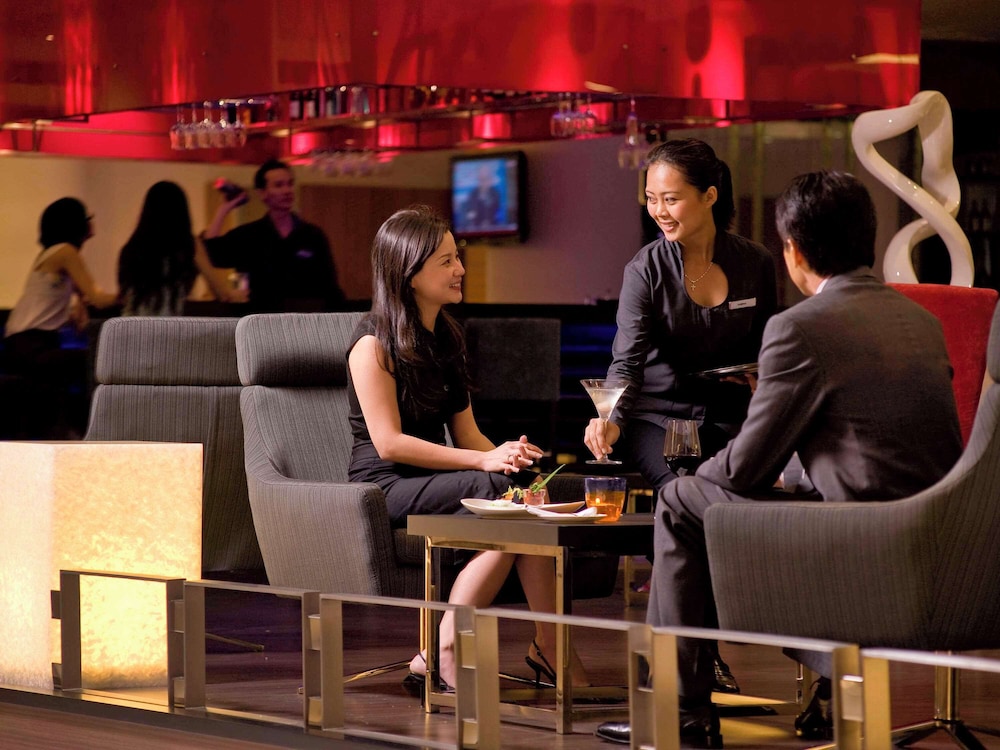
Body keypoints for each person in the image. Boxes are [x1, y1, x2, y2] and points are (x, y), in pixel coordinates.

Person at [595, 171, 962, 747]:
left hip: (859, 533)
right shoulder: (923, 322)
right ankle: (820, 684)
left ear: (793, 251)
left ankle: (679, 711)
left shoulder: (801, 326)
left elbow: (745, 470)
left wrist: (701, 475)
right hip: (940, 540)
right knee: (742, 494)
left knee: (682, 500)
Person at [347, 205, 587, 690]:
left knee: (525, 488)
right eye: (446, 261)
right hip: (384, 484)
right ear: (409, 273)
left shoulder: (447, 339)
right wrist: (483, 461)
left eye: (458, 257)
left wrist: (507, 456)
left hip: (434, 477)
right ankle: (447, 648)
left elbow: (468, 434)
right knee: (498, 491)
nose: (460, 269)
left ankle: (550, 643)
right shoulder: (372, 344)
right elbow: (389, 443)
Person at [583, 138, 777, 694]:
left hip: (729, 416)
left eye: (671, 199)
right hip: (658, 418)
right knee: (685, 497)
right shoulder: (645, 269)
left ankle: (694, 652)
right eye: (651, 199)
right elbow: (627, 360)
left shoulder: (755, 263)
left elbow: (772, 347)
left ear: (710, 195)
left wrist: (761, 380)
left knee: (744, 502)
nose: (659, 211)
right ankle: (689, 660)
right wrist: (609, 417)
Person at [3, 197, 118, 437]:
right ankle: (86, 429)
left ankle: (68, 428)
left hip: (19, 344)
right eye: (87, 217)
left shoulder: (51, 253)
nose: (91, 222)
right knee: (94, 362)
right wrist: (136, 293)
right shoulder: (66, 252)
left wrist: (80, 309)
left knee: (83, 361)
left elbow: (82, 302)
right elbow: (98, 298)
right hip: (31, 346)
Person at [202, 159, 345, 312]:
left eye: (290, 184)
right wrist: (224, 209)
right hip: (262, 316)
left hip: (305, 318)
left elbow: (330, 285)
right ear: (262, 193)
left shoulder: (312, 235)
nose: (287, 190)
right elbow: (212, 253)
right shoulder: (250, 235)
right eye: (278, 185)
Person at [118, 181, 245, 316]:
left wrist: (223, 210)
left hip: (131, 322)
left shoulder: (132, 248)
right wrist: (237, 294)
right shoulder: (187, 245)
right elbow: (220, 292)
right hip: (167, 323)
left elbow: (124, 296)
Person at [458, 163, 502, 231]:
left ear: (490, 179)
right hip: (476, 229)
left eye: (486, 178)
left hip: (493, 228)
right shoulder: (472, 195)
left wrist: (489, 222)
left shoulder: (496, 194)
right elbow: (470, 214)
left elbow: (497, 213)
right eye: (481, 179)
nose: (483, 182)